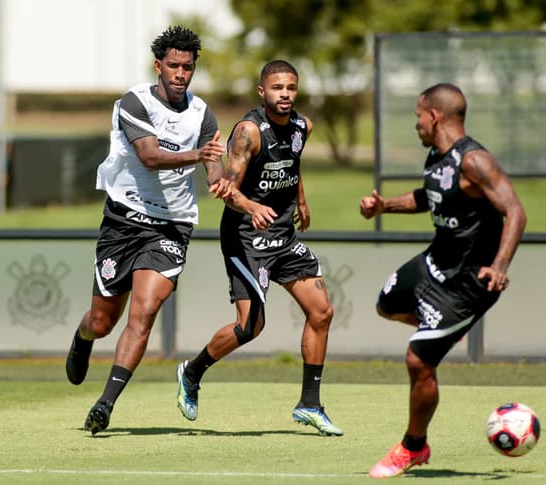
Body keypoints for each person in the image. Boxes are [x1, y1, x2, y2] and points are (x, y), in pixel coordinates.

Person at [65, 25, 231, 435]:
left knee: (145, 311)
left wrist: (226, 177)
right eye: (174, 65)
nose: (181, 73)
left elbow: (214, 171)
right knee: (104, 322)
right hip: (123, 223)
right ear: (159, 66)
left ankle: (105, 403)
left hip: (171, 227)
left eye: (188, 67)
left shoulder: (202, 114)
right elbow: (150, 156)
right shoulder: (133, 103)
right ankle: (84, 336)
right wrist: (199, 154)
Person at [360, 83, 526, 478]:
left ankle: (412, 447)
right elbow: (428, 196)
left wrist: (500, 265)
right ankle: (444, 332)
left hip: (469, 281)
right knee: (386, 304)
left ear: (434, 116)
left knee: (418, 360)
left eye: (418, 115)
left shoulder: (475, 161)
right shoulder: (437, 155)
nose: (415, 123)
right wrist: (386, 205)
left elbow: (516, 211)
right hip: (435, 261)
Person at [175, 59, 344, 437]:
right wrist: (252, 206)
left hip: (283, 235)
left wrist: (301, 200)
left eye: (291, 88)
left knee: (322, 312)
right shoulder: (249, 132)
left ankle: (310, 404)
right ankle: (191, 372)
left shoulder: (303, 126)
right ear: (262, 92)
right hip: (245, 237)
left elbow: (293, 162)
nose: (285, 95)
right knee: (251, 327)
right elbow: (226, 191)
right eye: (277, 88)